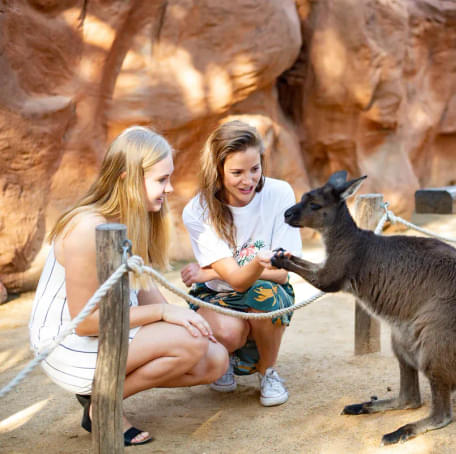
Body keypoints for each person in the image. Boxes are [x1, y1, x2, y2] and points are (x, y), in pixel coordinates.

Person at [28, 126, 229, 446]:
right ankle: (102, 404)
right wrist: (164, 314)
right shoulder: (87, 227)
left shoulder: (135, 217)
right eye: (161, 180)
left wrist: (181, 317)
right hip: (68, 344)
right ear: (127, 178)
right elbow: (86, 322)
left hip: (113, 326)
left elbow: (145, 288)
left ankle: (102, 396)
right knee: (189, 345)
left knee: (215, 357)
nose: (171, 188)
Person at [180, 120, 301, 407]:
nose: (248, 180)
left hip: (264, 293)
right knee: (230, 332)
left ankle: (267, 371)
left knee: (263, 292)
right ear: (218, 171)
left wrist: (208, 272)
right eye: (237, 172)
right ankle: (228, 357)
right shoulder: (198, 210)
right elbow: (233, 281)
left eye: (255, 169)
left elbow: (284, 273)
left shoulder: (280, 193)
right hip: (218, 294)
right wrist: (261, 264)